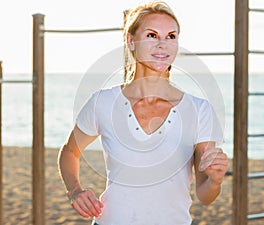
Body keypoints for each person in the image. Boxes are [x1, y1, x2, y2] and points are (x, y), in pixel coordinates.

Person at [58, 1, 229, 225]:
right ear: (131, 41)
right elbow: (70, 152)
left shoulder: (199, 110)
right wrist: (75, 191)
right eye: (151, 35)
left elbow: (205, 195)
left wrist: (215, 181)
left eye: (171, 36)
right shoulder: (103, 102)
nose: (162, 44)